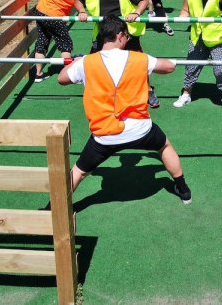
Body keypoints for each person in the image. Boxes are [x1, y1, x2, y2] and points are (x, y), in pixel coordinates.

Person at [58, 15, 192, 204]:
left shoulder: (86, 63)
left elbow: (62, 78)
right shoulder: (140, 59)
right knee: (164, 146)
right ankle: (183, 189)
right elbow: (168, 67)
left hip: (105, 134)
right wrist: (169, 61)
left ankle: (53, 208)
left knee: (79, 171)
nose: (127, 40)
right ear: (120, 35)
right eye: (127, 36)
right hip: (140, 129)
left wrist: (77, 61)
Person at [73, 0, 161, 107]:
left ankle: (147, 91)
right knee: (94, 62)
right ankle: (95, 92)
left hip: (125, 31)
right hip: (103, 31)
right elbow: (77, 0)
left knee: (139, 62)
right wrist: (81, 11)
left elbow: (143, 0)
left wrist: (136, 12)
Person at [28, 0, 83, 82]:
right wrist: (82, 11)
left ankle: (38, 74)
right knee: (65, 44)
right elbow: (78, 1)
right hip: (54, 16)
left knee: (42, 41)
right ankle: (70, 73)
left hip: (40, 11)